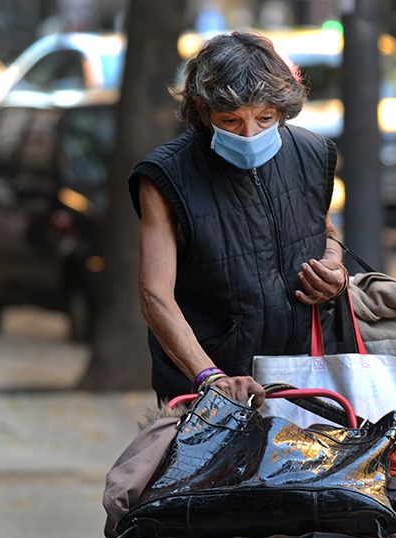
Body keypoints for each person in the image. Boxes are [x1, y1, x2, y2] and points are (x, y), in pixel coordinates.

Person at [129, 32, 347, 405]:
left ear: (283, 109)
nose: (250, 134)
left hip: (308, 375)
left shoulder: (313, 152)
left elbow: (322, 229)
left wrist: (334, 267)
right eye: (230, 121)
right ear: (201, 110)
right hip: (211, 382)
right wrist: (209, 375)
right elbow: (155, 296)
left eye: (265, 118)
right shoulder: (166, 176)